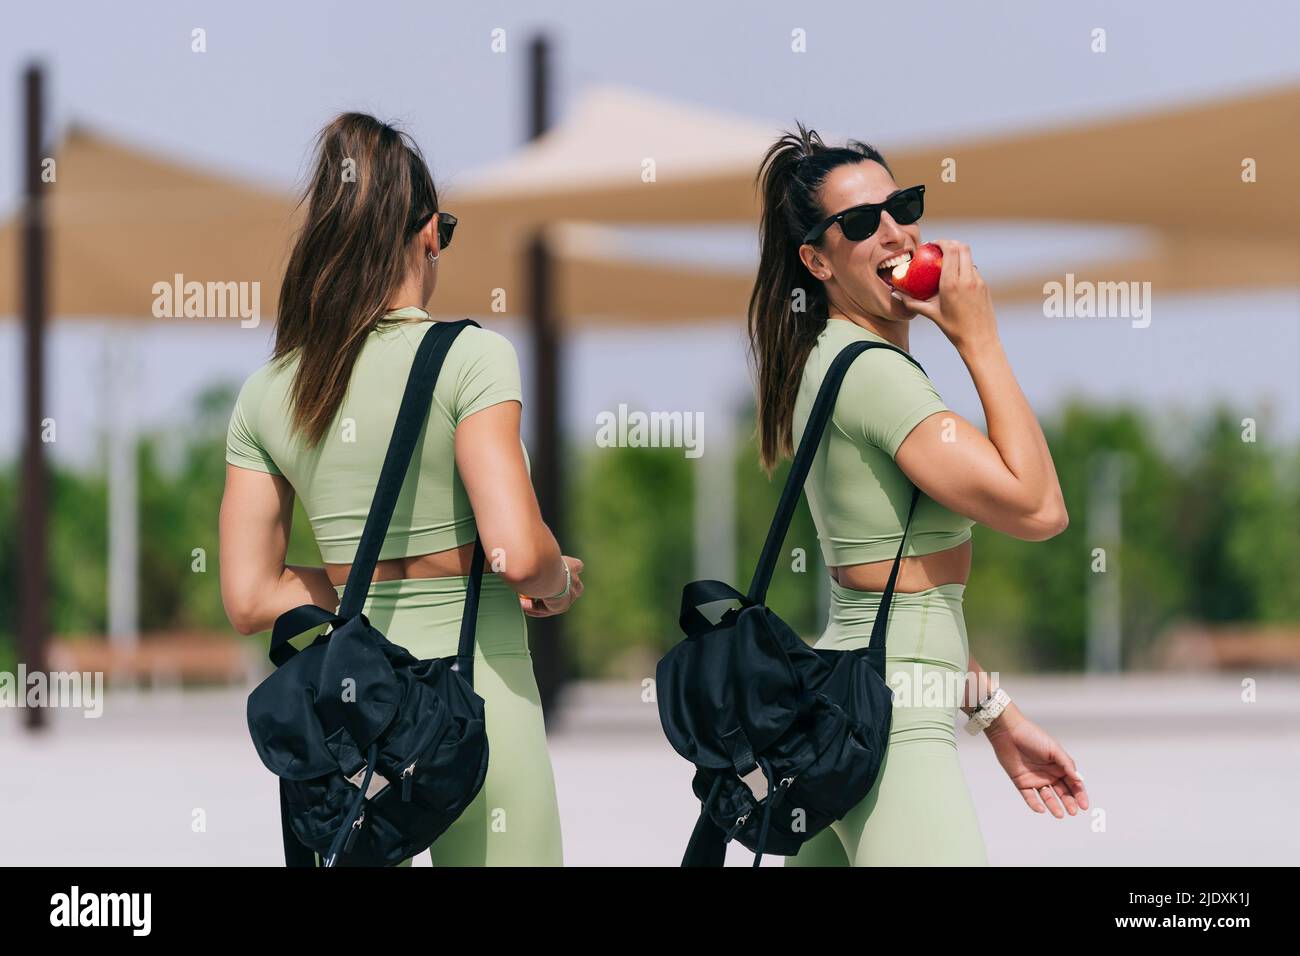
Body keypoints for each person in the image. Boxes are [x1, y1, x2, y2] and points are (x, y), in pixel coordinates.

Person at [219, 113, 578, 866]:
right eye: (444, 224)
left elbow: (251, 598)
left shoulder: (269, 392)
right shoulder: (471, 358)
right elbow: (515, 551)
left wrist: (361, 577)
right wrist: (557, 578)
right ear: (427, 234)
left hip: (357, 724)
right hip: (477, 703)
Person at [747, 123, 1087, 866]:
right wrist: (980, 340)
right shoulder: (872, 371)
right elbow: (1039, 509)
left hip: (849, 696)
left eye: (903, 205)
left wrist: (996, 714)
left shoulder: (826, 357)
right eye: (862, 222)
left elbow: (895, 603)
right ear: (817, 260)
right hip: (892, 717)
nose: (896, 233)